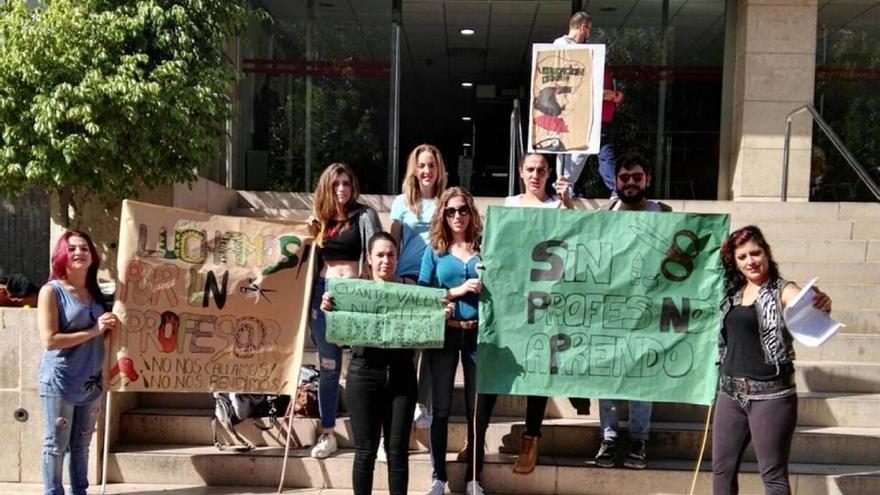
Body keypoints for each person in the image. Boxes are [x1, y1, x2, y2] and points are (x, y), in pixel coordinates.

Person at [321, 232, 451, 495]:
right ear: (368, 258)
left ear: (397, 257)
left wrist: (441, 314)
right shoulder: (353, 292)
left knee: (398, 452)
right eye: (379, 255)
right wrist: (330, 310)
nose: (385, 260)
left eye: (391, 255)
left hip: (402, 376)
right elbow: (338, 331)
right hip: (363, 374)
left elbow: (430, 317)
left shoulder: (412, 291)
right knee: (365, 451)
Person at [713, 225, 831, 495]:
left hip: (772, 396)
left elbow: (804, 303)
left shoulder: (782, 289)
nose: (750, 261)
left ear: (766, 253)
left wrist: (821, 302)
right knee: (722, 470)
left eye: (755, 253)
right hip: (729, 393)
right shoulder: (733, 293)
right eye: (742, 257)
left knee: (773, 476)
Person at [595, 151, 671, 469]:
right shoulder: (607, 214)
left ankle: (639, 438)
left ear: (647, 180)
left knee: (642, 375)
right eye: (624, 178)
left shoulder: (663, 214)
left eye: (636, 177)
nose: (629, 183)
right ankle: (609, 438)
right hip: (610, 307)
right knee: (608, 371)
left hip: (649, 309)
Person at [503, 153, 574, 474]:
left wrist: (568, 201)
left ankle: (531, 438)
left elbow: (579, 238)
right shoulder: (510, 204)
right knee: (497, 367)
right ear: (520, 172)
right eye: (530, 169)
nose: (535, 175)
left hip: (547, 301)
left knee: (538, 368)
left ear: (549, 174)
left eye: (541, 170)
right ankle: (476, 436)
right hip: (513, 300)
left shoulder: (558, 206)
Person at [419, 187, 491, 495]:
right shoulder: (434, 249)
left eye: (462, 210)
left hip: (478, 334)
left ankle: (474, 477)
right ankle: (439, 476)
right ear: (442, 216)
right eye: (450, 211)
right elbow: (423, 292)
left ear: (471, 212)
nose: (457, 216)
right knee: (442, 408)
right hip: (446, 333)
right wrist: (455, 291)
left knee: (477, 410)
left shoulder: (485, 246)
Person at [37, 230, 121, 495]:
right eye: (72, 248)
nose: (79, 253)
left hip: (91, 380)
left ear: (92, 255)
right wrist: (95, 330)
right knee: (55, 444)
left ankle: (80, 491)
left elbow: (102, 334)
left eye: (84, 248)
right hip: (60, 380)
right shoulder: (52, 291)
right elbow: (50, 340)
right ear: (62, 254)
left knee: (83, 443)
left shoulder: (96, 292)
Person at [308, 163, 382, 459]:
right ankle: (327, 433)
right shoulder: (319, 220)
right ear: (328, 186)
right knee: (328, 368)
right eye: (337, 184)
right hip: (323, 294)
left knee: (365, 367)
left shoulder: (364, 215)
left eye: (347, 184)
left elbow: (377, 249)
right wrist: (309, 232)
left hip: (356, 295)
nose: (342, 189)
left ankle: (375, 436)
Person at [390, 144, 448, 429]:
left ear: (439, 171)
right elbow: (391, 244)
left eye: (432, 166)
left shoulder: (446, 201)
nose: (427, 171)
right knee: (409, 347)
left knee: (432, 346)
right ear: (414, 170)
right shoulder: (401, 203)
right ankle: (406, 401)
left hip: (439, 280)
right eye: (422, 166)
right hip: (410, 279)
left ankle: (422, 404)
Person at [553, 11, 624, 199]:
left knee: (580, 153)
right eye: (589, 29)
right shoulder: (561, 46)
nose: (588, 34)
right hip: (569, 111)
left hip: (585, 111)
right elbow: (572, 83)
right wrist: (602, 95)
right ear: (583, 26)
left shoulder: (582, 50)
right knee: (571, 151)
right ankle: (565, 187)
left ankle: (568, 187)